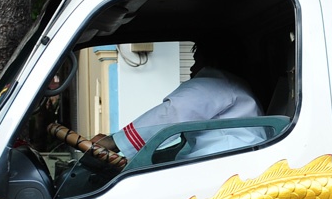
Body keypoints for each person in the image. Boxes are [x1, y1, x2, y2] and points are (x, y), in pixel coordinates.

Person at [94, 39, 265, 162]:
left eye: (197, 60)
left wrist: (114, 142)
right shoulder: (230, 85)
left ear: (212, 60)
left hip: (224, 162)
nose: (191, 68)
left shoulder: (215, 83)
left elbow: (173, 112)